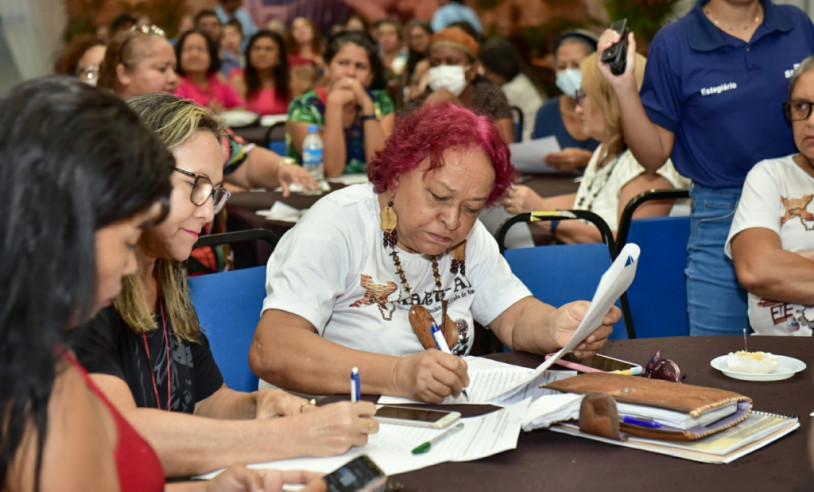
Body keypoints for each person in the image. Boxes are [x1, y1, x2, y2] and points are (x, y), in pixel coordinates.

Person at [0, 76, 325, 492]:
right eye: (126, 231)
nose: (207, 213)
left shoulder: (52, 347)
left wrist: (210, 487)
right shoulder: (49, 364)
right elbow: (125, 439)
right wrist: (283, 440)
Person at [72, 93, 379, 479]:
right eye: (197, 185)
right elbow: (124, 436)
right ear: (136, 176)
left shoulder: (167, 274)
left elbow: (204, 401)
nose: (206, 212)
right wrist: (289, 435)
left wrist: (259, 406)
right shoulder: (88, 291)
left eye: (215, 192)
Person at [250, 102, 619, 404]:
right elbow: (273, 348)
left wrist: (558, 325)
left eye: (473, 208)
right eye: (439, 197)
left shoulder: (467, 238)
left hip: (424, 422)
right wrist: (399, 375)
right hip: (323, 421)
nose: (452, 221)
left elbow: (515, 316)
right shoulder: (337, 226)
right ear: (396, 174)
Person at [598, 0, 814, 336]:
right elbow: (654, 157)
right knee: (719, 359)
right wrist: (624, 88)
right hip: (720, 212)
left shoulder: (796, 25)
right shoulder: (675, 43)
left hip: (801, 206)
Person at [98, 25, 316, 196]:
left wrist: (282, 168)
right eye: (161, 69)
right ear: (124, 73)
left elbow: (242, 159)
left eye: (174, 68)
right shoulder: (99, 133)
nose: (173, 79)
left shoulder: (185, 121)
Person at [503, 51, 687, 243]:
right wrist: (521, 202)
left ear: (610, 101)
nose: (578, 108)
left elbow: (627, 248)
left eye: (582, 96)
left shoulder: (649, 166)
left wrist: (545, 215)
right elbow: (589, 202)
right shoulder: (606, 148)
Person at [726, 56, 814, 337]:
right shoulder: (769, 176)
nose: (810, 121)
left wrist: (792, 262)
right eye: (801, 106)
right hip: (777, 362)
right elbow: (756, 269)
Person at [287, 31, 395, 176]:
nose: (351, 73)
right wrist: (334, 104)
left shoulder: (381, 102)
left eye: (360, 66)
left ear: (370, 76)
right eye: (343, 63)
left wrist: (367, 107)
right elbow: (331, 170)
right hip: (316, 194)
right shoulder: (303, 106)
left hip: (367, 192)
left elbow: (379, 169)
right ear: (326, 67)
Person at [402, 26, 514, 144]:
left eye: (452, 62)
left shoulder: (489, 96)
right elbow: (400, 149)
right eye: (436, 63)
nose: (442, 68)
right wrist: (425, 110)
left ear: (472, 71)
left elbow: (506, 149)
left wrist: (462, 115)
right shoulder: (421, 99)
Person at [531, 30, 599, 171]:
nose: (568, 73)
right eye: (562, 67)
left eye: (576, 65)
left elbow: (627, 162)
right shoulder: (546, 113)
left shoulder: (611, 110)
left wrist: (589, 160)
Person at [479, 37, 545, 142]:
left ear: (501, 69)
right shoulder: (520, 80)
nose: (487, 77)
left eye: (489, 73)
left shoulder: (511, 91)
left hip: (525, 144)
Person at [175, 29, 246, 112]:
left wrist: (224, 111)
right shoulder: (175, 84)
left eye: (200, 49)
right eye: (188, 49)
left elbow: (243, 106)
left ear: (211, 55)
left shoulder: (219, 80)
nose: (194, 54)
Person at [230, 30, 291, 116]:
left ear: (279, 56)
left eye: (268, 49)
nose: (261, 54)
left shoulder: (290, 80)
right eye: (256, 48)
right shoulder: (239, 79)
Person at [196, 9, 241, 77]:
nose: (209, 29)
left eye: (214, 25)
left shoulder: (230, 59)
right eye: (204, 25)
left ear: (221, 29)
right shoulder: (191, 58)